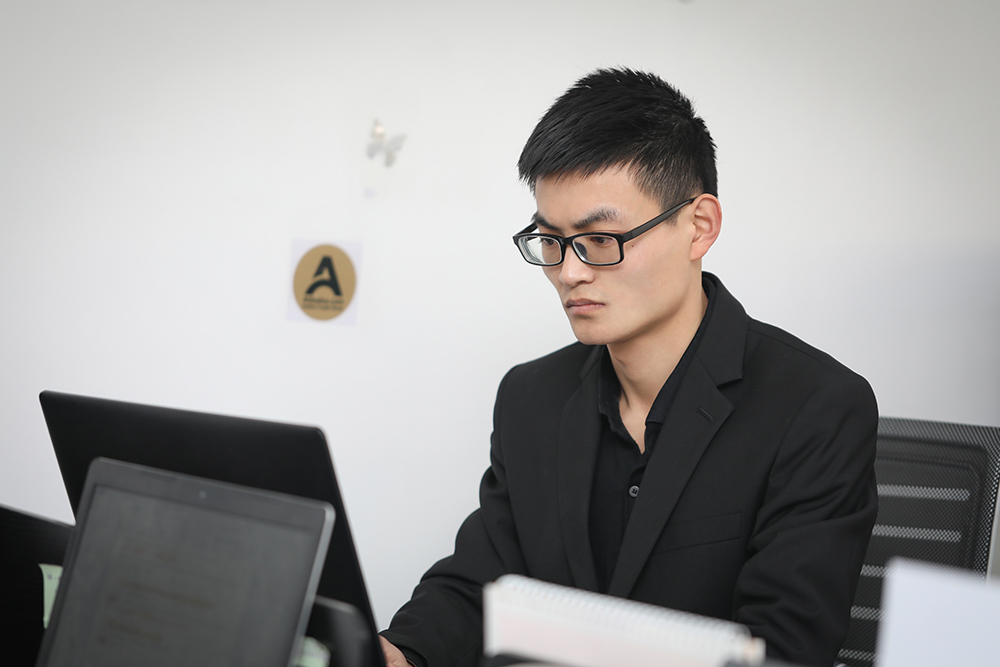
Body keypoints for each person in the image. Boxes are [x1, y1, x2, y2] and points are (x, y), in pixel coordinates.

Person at [379, 68, 878, 667]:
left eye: (600, 239)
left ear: (699, 227)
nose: (569, 273)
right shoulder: (530, 397)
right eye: (551, 240)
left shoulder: (814, 406)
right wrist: (395, 652)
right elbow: (478, 588)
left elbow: (785, 648)